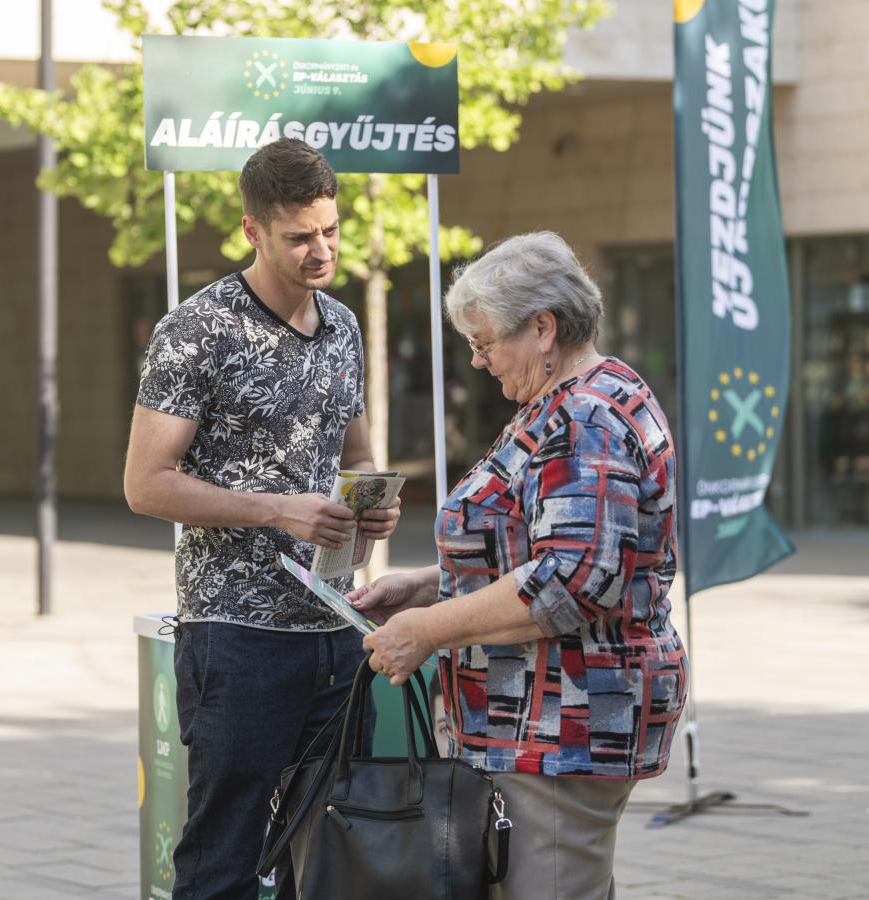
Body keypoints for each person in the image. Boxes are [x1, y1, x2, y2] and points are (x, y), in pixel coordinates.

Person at [350, 232, 685, 900]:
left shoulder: (584, 417)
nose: (476, 361)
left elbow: (571, 580)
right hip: (542, 721)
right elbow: (529, 551)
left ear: (542, 327)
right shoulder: (568, 401)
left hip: (562, 723)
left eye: (484, 342)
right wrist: (426, 587)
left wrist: (431, 629)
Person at [124, 138, 400, 899]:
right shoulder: (198, 331)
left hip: (338, 629)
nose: (322, 250)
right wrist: (277, 510)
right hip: (236, 639)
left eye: (331, 231)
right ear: (253, 231)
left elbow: (358, 453)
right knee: (224, 861)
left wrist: (373, 506)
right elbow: (146, 485)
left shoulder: (342, 324)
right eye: (300, 237)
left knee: (339, 850)